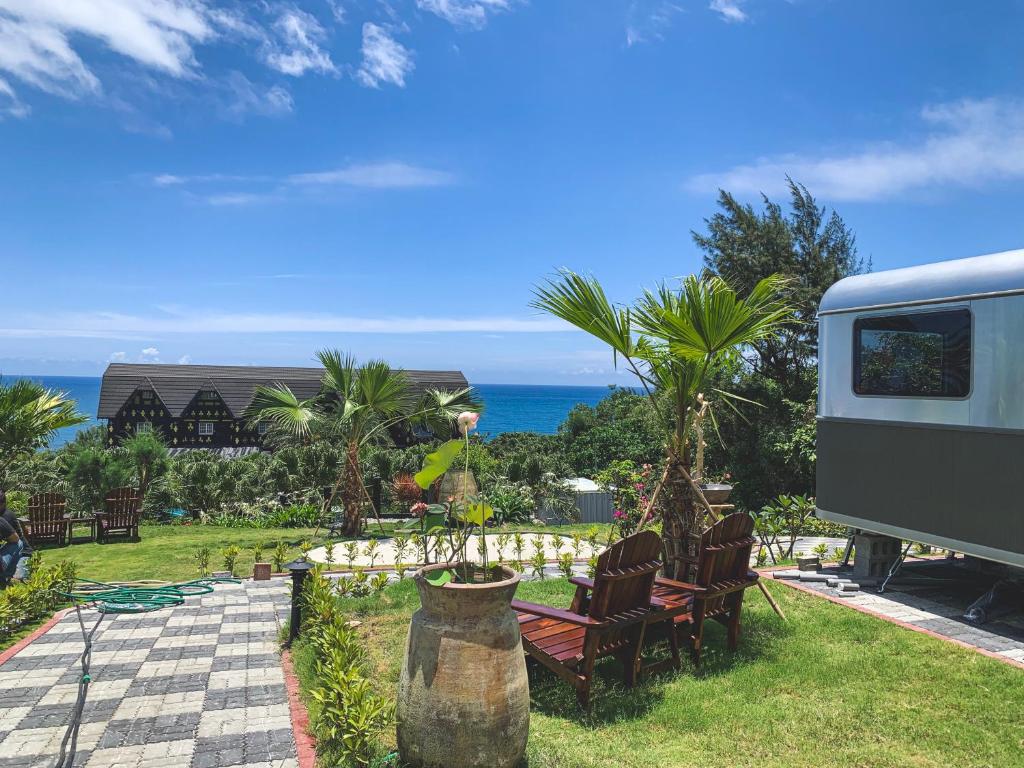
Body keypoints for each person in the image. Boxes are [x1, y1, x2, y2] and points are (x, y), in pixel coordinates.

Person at [0, 490, 31, 587]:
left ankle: (5, 577)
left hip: (24, 552)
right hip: (12, 548)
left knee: (21, 578)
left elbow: (15, 539)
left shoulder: (6, 516)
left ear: (3, 504)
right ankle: (5, 577)